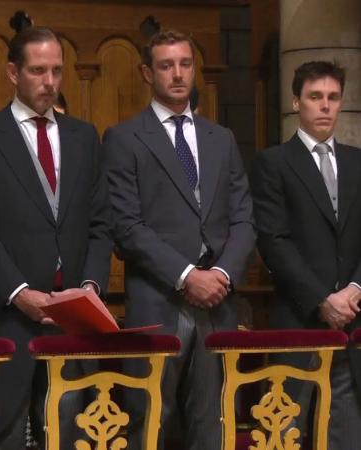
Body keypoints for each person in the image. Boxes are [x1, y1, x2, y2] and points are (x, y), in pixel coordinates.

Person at [0, 26, 112, 449]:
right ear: (13, 72)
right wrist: (19, 291)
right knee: (7, 431)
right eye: (39, 71)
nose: (50, 82)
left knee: (71, 430)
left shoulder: (84, 136)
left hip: (76, 314)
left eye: (57, 71)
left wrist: (91, 288)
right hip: (11, 313)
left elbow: (100, 223)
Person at [103, 30, 255, 450]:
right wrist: (188, 276)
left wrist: (221, 273)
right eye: (167, 65)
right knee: (151, 423)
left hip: (219, 302)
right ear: (147, 72)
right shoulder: (124, 138)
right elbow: (127, 226)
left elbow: (244, 218)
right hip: (159, 300)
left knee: (215, 423)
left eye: (185, 64)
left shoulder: (220, 138)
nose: (177, 74)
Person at [251, 61, 361, 450]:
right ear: (297, 101)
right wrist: (321, 300)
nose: (325, 106)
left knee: (348, 429)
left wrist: (354, 289)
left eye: (333, 98)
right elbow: (274, 241)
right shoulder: (274, 163)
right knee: (288, 428)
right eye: (316, 97)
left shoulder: (358, 161)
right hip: (298, 316)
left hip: (354, 317)